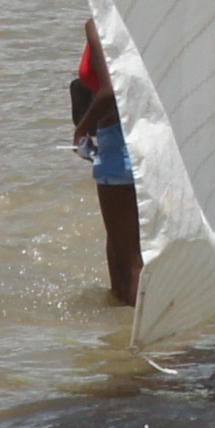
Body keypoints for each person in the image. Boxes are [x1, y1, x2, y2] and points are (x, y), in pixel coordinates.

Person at [67, 27, 138, 306]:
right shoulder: (141, 16)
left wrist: (81, 132)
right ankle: (120, 331)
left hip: (117, 142)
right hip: (144, 133)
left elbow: (109, 91)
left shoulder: (99, 23)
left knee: (129, 261)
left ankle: (133, 340)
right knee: (123, 250)